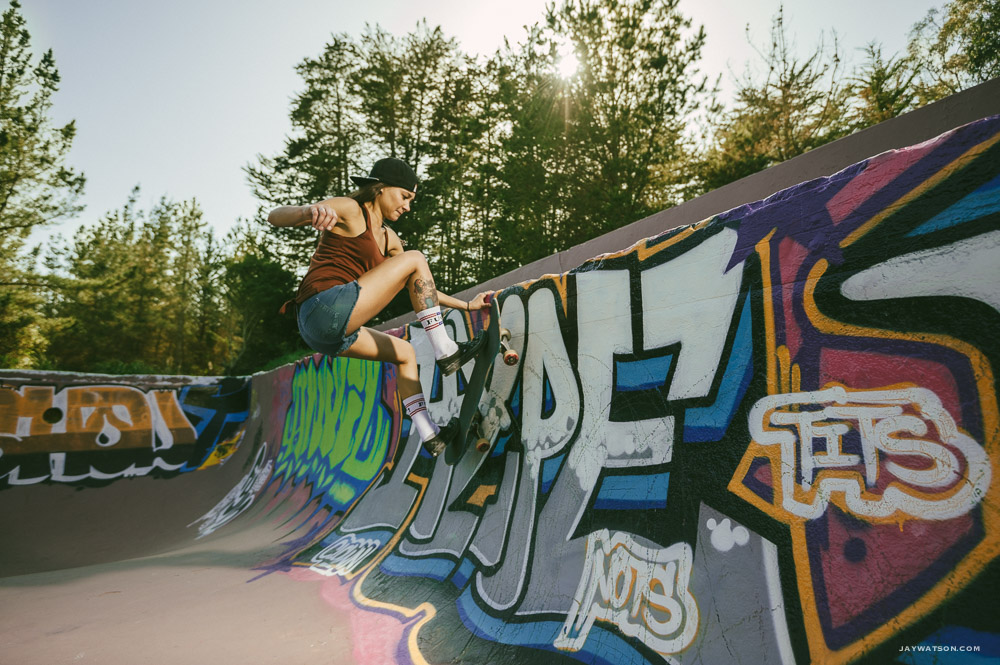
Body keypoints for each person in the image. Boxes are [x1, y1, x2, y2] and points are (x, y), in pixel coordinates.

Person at [268, 157, 488, 456]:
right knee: (415, 257)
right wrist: (308, 211)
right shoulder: (349, 209)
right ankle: (446, 351)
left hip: (327, 333)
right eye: (405, 196)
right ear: (381, 189)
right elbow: (275, 216)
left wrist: (465, 305)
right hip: (322, 305)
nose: (408, 206)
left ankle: (430, 434)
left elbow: (423, 286)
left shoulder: (389, 238)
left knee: (405, 353)